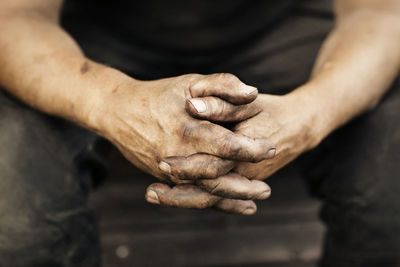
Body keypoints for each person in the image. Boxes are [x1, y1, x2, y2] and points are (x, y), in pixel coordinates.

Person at [0, 0, 399, 266]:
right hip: (92, 40)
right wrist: (112, 102)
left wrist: (309, 116)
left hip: (288, 30)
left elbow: (379, 11)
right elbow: (16, 15)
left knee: (390, 194)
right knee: (18, 221)